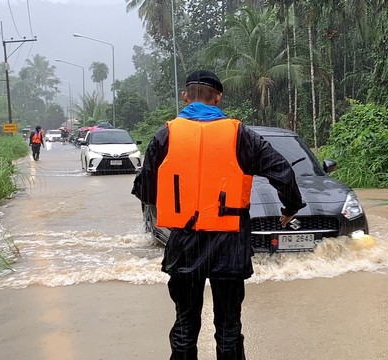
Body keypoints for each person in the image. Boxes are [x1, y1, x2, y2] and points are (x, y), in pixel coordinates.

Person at [131, 70, 306, 360]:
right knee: (228, 326)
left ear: (185, 96)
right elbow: (284, 173)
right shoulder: (241, 135)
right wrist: (290, 208)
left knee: (185, 324)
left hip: (185, 243)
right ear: (219, 98)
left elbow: (146, 191)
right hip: (230, 243)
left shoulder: (166, 135)